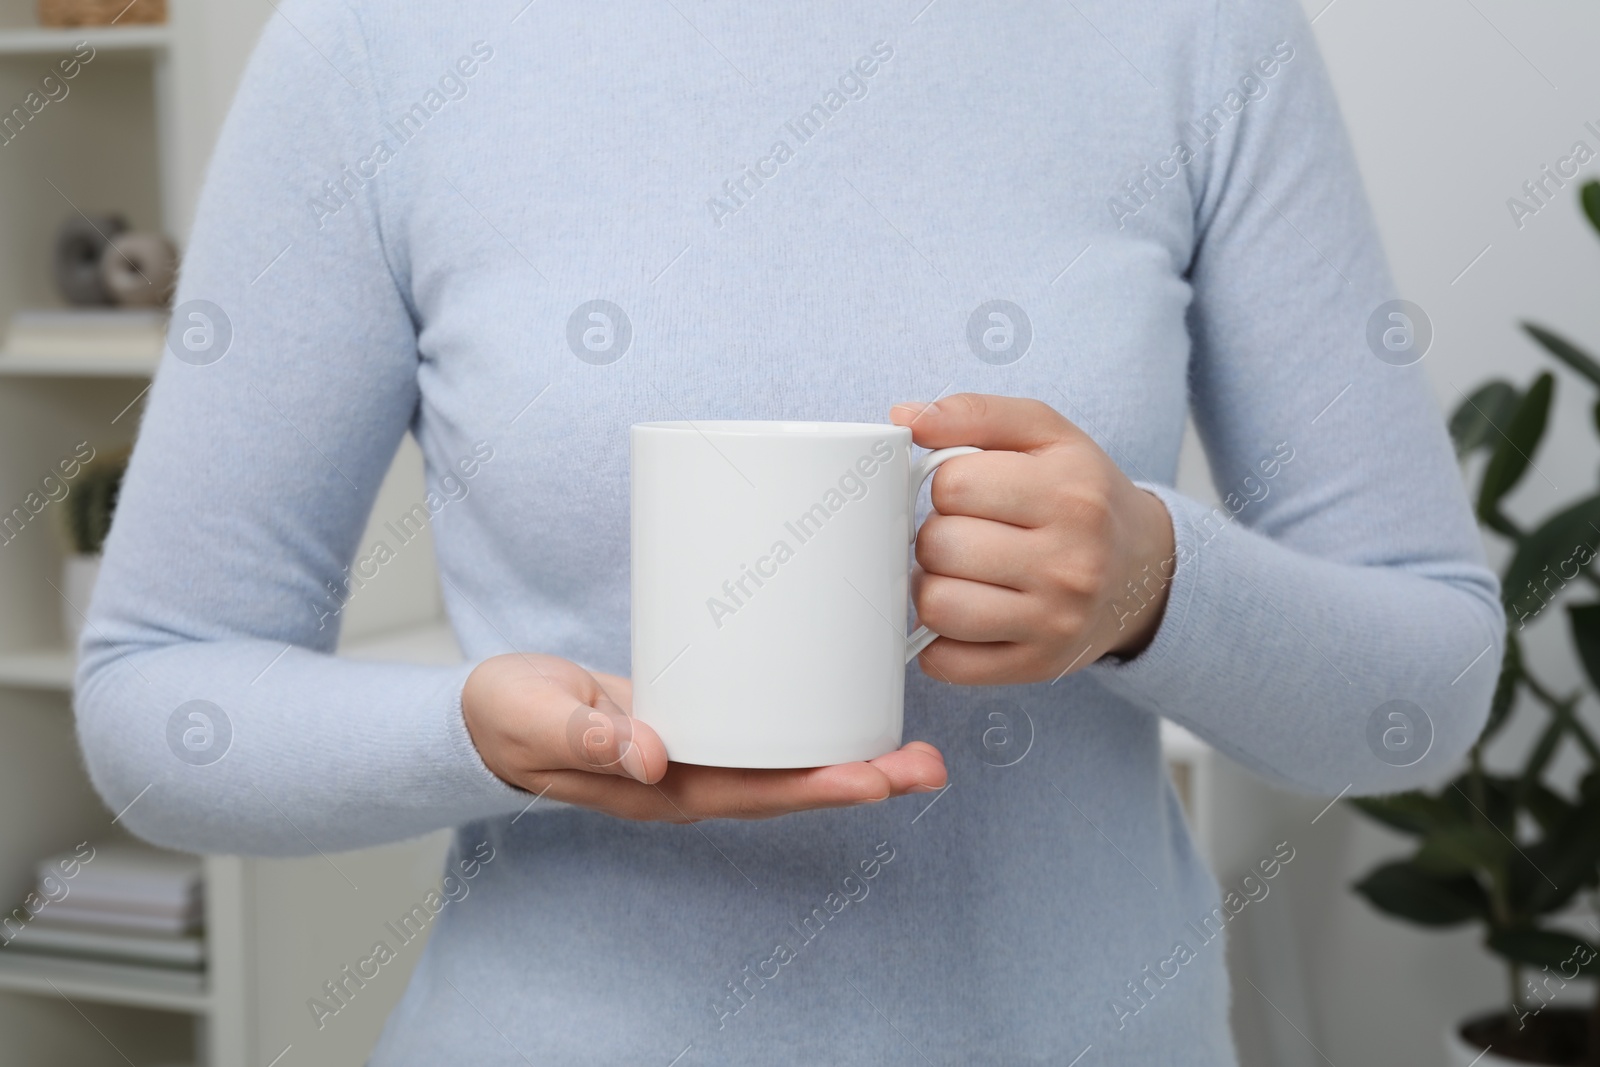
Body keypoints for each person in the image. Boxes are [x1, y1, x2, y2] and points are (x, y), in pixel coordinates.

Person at [75, 0, 1501, 1062]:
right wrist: (481, 740)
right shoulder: (376, 45)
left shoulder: (1194, 33)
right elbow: (158, 693)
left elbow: (1424, 690)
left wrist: (1154, 582)